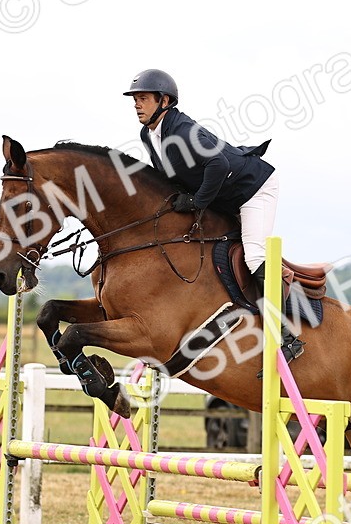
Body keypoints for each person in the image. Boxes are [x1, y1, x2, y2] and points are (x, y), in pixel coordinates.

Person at [123, 68, 303, 364]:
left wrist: (196, 202)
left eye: (143, 98)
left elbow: (218, 165)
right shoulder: (149, 134)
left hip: (252, 189)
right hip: (222, 194)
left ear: (164, 100)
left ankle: (286, 335)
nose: (136, 104)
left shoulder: (182, 130)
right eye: (135, 99)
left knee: (254, 255)